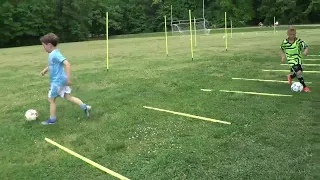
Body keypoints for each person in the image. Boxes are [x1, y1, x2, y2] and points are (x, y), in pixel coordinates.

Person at [39, 33, 91, 125]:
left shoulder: (55, 54)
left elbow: (67, 64)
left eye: (44, 46)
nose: (44, 48)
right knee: (68, 96)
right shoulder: (53, 54)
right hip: (61, 81)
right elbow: (52, 64)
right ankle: (84, 106)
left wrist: (68, 79)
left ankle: (52, 120)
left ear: (49, 45)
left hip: (57, 82)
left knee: (51, 100)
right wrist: (45, 70)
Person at [280, 26, 311, 92]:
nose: (292, 36)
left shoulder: (299, 41)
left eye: (294, 34)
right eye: (291, 34)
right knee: (299, 72)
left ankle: (290, 77)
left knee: (300, 71)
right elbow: (282, 49)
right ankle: (305, 87)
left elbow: (306, 46)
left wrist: (305, 51)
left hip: (298, 59)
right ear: (288, 34)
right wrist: (283, 56)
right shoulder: (284, 42)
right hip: (291, 60)